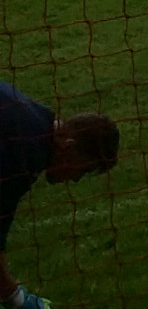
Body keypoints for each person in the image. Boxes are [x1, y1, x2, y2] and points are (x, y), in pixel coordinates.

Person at [0, 81, 117, 309]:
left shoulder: (36, 118)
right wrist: (17, 300)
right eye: (82, 169)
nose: (75, 179)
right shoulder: (27, 154)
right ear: (68, 146)